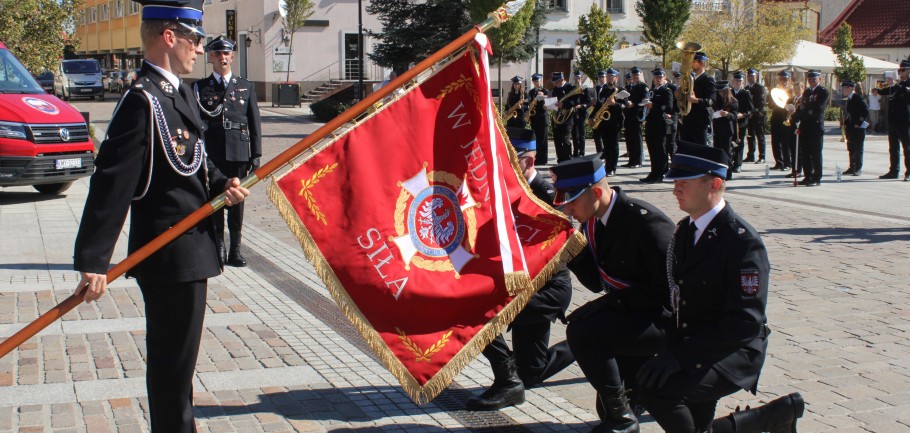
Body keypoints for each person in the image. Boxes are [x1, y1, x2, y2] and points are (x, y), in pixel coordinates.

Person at [72, 0, 251, 431]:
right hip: (169, 253)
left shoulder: (178, 91)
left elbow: (195, 158)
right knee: (172, 370)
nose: (199, 48)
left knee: (179, 367)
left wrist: (220, 182)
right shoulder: (143, 100)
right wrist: (94, 260)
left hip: (190, 252)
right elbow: (112, 182)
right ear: (169, 37)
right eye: (194, 39)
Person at [638, 142, 804, 433]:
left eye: (684, 182)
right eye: (675, 181)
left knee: (659, 392)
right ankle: (772, 417)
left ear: (714, 184)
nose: (676, 189)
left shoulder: (741, 241)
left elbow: (745, 322)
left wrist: (680, 357)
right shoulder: (685, 230)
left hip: (732, 351)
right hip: (696, 342)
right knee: (692, 422)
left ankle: (770, 417)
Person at [552, 156, 674, 433]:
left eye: (572, 201)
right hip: (632, 314)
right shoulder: (594, 222)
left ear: (596, 192)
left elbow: (667, 292)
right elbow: (597, 283)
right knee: (605, 406)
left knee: (585, 332)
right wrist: (571, 250)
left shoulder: (645, 222)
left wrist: (609, 305)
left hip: (661, 319)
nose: (568, 210)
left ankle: (623, 419)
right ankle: (623, 411)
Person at [466, 128, 575, 411]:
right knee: (532, 373)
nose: (511, 163)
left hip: (546, 286)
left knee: (478, 315)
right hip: (519, 282)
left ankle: (508, 379)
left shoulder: (547, 193)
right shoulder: (501, 188)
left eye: (517, 157)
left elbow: (554, 247)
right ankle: (579, 344)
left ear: (531, 159)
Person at [194, 35, 262, 267]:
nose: (223, 58)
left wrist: (256, 154)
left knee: (237, 203)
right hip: (213, 153)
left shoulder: (245, 86)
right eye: (218, 54)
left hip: (239, 152)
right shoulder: (200, 88)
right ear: (211, 58)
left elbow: (254, 123)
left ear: (232, 57)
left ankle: (236, 250)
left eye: (226, 54)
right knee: (215, 200)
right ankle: (218, 247)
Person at [791, 70, 828, 186]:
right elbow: (803, 107)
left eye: (814, 79)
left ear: (819, 79)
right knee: (805, 152)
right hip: (805, 126)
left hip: (815, 126)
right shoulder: (806, 92)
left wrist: (805, 112)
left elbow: (818, 109)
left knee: (816, 153)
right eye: (810, 79)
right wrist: (795, 116)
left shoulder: (822, 92)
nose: (811, 81)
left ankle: (817, 178)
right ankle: (808, 176)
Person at [876, 60, 910, 180]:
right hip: (893, 121)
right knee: (893, 147)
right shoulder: (897, 84)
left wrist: (894, 84)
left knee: (907, 147)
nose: (900, 72)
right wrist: (880, 87)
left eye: (903, 70)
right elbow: (883, 91)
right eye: (899, 70)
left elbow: (906, 92)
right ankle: (893, 170)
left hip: (905, 121)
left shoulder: (906, 84)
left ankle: (909, 172)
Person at [590, 68, 627, 177]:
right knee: (606, 145)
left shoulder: (621, 90)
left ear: (616, 78)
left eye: (612, 76)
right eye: (608, 76)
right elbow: (598, 105)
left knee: (613, 145)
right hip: (604, 122)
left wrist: (614, 104)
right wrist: (591, 117)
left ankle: (612, 167)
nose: (610, 78)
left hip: (615, 122)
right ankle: (607, 166)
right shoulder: (604, 89)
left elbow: (625, 106)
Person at [641, 68, 674, 183]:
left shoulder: (666, 91)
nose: (658, 80)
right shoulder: (652, 91)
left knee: (660, 149)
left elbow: (668, 107)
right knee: (652, 149)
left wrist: (653, 105)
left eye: (660, 77)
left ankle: (660, 173)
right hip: (651, 122)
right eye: (656, 78)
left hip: (660, 123)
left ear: (664, 78)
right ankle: (653, 172)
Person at [678, 52, 716, 146]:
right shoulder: (690, 78)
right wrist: (679, 95)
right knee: (687, 148)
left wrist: (696, 100)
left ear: (702, 63)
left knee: (699, 148)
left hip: (700, 120)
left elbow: (711, 101)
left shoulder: (708, 79)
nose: (691, 64)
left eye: (694, 61)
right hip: (687, 119)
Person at [769, 71, 795, 174]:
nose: (783, 81)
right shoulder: (775, 91)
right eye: (781, 79)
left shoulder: (791, 91)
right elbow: (770, 105)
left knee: (785, 142)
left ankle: (787, 163)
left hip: (785, 119)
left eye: (785, 79)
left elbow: (791, 105)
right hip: (776, 118)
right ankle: (778, 162)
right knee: (775, 141)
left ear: (789, 80)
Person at [712, 81, 738, 180]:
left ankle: (728, 173)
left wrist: (727, 114)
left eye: (723, 92)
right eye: (719, 92)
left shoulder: (733, 101)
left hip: (726, 129)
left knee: (726, 152)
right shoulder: (716, 100)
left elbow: (735, 116)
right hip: (717, 128)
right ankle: (718, 172)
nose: (721, 93)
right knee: (717, 151)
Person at [842, 80, 869, 176]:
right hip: (850, 127)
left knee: (858, 148)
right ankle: (852, 166)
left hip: (858, 128)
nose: (843, 90)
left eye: (844, 88)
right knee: (851, 147)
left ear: (850, 88)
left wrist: (859, 122)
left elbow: (865, 111)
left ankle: (858, 168)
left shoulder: (857, 98)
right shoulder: (849, 98)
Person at [551, 71, 579, 163]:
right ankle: (560, 159)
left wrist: (563, 104)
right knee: (557, 139)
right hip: (557, 116)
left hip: (567, 117)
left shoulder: (570, 88)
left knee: (565, 138)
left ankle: (567, 158)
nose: (555, 84)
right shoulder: (555, 89)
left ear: (562, 80)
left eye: (556, 82)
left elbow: (576, 101)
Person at [623, 67, 648, 167]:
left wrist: (634, 104)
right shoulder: (628, 87)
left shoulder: (643, 86)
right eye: (634, 75)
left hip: (637, 115)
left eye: (637, 75)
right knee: (630, 138)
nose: (635, 77)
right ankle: (631, 160)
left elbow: (645, 101)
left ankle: (638, 161)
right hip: (628, 115)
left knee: (637, 139)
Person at [730, 71, 753, 173]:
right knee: (731, 142)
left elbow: (750, 110)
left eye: (740, 81)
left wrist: (743, 115)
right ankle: (730, 162)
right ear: (732, 81)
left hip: (741, 122)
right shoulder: (729, 92)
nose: (738, 83)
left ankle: (738, 164)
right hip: (730, 121)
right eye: (736, 81)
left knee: (739, 143)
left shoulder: (745, 93)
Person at [744, 68, 766, 164]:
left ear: (756, 77)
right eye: (748, 76)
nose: (750, 78)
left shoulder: (760, 88)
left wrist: (753, 112)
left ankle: (762, 156)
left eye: (752, 76)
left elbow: (761, 103)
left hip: (758, 116)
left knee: (760, 136)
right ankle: (751, 155)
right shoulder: (746, 89)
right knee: (750, 136)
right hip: (749, 116)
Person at [528, 73, 550, 164]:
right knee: (536, 140)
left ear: (541, 81)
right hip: (534, 118)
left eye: (538, 81)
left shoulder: (546, 91)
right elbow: (529, 104)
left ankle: (543, 159)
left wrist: (543, 97)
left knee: (543, 140)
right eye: (535, 81)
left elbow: (549, 104)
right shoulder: (531, 92)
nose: (537, 83)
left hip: (543, 118)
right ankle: (536, 158)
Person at [572, 70, 592, 157]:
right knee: (574, 134)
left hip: (582, 113)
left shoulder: (585, 89)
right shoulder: (572, 89)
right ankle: (575, 151)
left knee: (581, 134)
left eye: (579, 78)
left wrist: (582, 106)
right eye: (576, 78)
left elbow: (589, 103)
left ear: (581, 79)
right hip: (573, 113)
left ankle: (582, 152)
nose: (577, 80)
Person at [590, 70, 607, 155]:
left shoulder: (607, 87)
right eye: (600, 77)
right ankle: (599, 153)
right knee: (596, 135)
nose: (601, 79)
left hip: (605, 114)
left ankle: (605, 153)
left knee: (604, 136)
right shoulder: (596, 88)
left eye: (603, 77)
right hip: (597, 113)